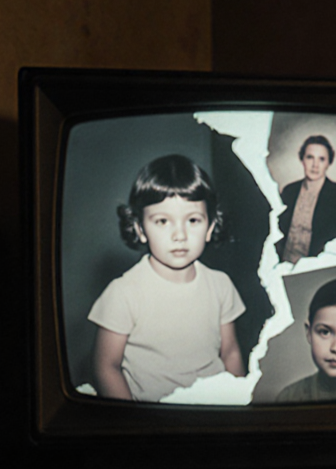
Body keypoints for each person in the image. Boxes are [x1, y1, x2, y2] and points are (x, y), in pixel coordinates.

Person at [89, 154, 246, 402]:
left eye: (193, 220)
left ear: (210, 227)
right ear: (140, 229)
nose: (179, 235)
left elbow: (231, 352)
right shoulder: (123, 292)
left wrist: (239, 405)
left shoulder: (221, 285)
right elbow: (106, 367)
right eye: (162, 221)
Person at [276, 135, 336, 263]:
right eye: (310, 157)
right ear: (302, 160)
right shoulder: (289, 191)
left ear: (329, 163)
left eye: (321, 159)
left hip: (317, 267)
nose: (315, 165)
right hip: (283, 265)